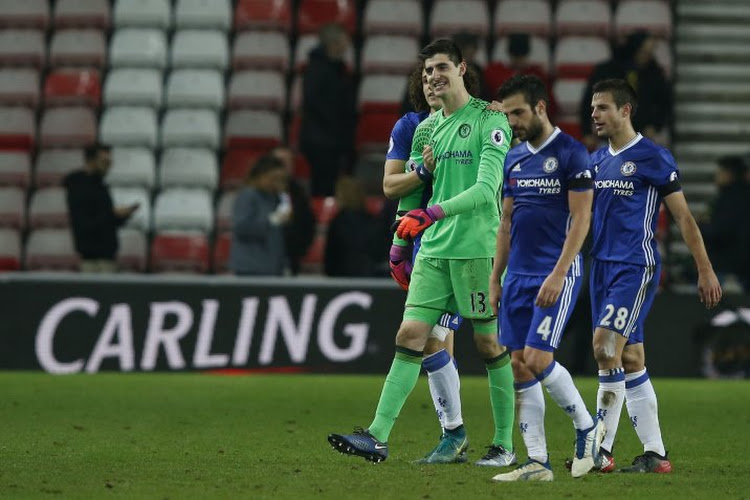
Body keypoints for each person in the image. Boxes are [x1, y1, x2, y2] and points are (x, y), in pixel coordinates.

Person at [328, 39, 515, 467]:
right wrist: (399, 243)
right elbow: (411, 190)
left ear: (462, 69)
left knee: (488, 343)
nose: (434, 75)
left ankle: (503, 444)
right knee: (410, 336)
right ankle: (376, 436)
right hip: (432, 251)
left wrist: (431, 213)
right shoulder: (427, 128)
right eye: (429, 69)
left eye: (443, 67)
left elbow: (487, 192)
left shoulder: (491, 118)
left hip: (475, 251)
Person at [587, 79, 722, 473]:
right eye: (594, 108)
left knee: (604, 347)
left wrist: (704, 268)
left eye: (603, 108)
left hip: (635, 266)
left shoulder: (653, 157)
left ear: (625, 110)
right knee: (629, 356)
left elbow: (683, 217)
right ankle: (656, 454)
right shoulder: (596, 161)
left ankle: (600, 449)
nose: (594, 114)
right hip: (601, 267)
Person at [488, 75, 602, 482]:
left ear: (540, 107)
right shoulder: (513, 158)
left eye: (518, 111)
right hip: (516, 275)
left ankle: (588, 427)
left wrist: (558, 273)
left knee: (538, 359)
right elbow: (505, 222)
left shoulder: (571, 153)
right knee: (518, 365)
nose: (512, 120)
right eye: (506, 114)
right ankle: (537, 462)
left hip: (556, 273)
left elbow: (582, 218)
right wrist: (495, 278)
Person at [579, 31, 671, 151]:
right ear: (634, 50)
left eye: (650, 52)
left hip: (641, 138)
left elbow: (665, 103)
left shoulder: (654, 73)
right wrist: (586, 131)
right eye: (644, 52)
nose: (647, 56)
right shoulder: (606, 71)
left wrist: (655, 125)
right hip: (609, 138)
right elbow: (588, 101)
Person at [299, 22, 356, 197]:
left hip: (330, 138)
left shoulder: (334, 68)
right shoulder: (318, 69)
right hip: (322, 141)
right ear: (334, 43)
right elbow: (316, 103)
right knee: (323, 186)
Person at [64, 143, 138, 273]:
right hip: (93, 259)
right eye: (104, 161)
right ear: (91, 160)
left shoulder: (100, 186)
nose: (109, 165)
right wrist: (113, 215)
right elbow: (85, 224)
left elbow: (104, 220)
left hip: (105, 257)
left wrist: (121, 216)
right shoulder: (79, 187)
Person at [229, 154, 291, 276]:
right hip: (250, 269)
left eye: (281, 179)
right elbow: (241, 228)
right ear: (260, 175)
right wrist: (272, 221)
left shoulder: (277, 198)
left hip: (273, 268)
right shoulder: (247, 196)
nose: (277, 183)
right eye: (273, 178)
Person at [699, 155, 750, 291]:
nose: (717, 176)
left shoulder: (731, 199)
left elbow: (722, 231)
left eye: (720, 172)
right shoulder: (740, 195)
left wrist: (699, 227)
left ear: (729, 174)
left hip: (729, 263)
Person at [483, 33, 557, 120]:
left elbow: (550, 106)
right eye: (515, 56)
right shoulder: (495, 73)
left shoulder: (537, 74)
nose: (518, 60)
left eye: (521, 56)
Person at [270, 145, 316, 276]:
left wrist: (298, 250)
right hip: (262, 261)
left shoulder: (299, 193)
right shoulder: (260, 193)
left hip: (291, 259)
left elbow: (308, 224)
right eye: (279, 162)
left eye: (287, 162)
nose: (283, 166)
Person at [324, 176, 378, 277]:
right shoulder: (373, 220)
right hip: (370, 276)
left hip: (342, 278)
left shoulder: (338, 221)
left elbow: (330, 258)